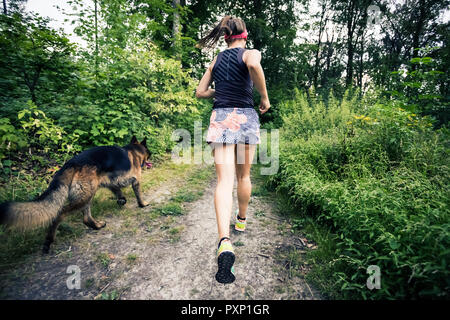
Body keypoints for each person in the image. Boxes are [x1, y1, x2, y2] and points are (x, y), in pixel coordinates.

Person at [195, 16, 270, 284]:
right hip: (246, 117)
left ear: (225, 37)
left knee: (223, 182)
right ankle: (241, 220)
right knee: (244, 176)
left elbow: (200, 92)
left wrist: (219, 91)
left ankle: (224, 241)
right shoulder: (250, 52)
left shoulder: (216, 60)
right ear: (244, 36)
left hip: (221, 118)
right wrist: (264, 96)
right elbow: (252, 64)